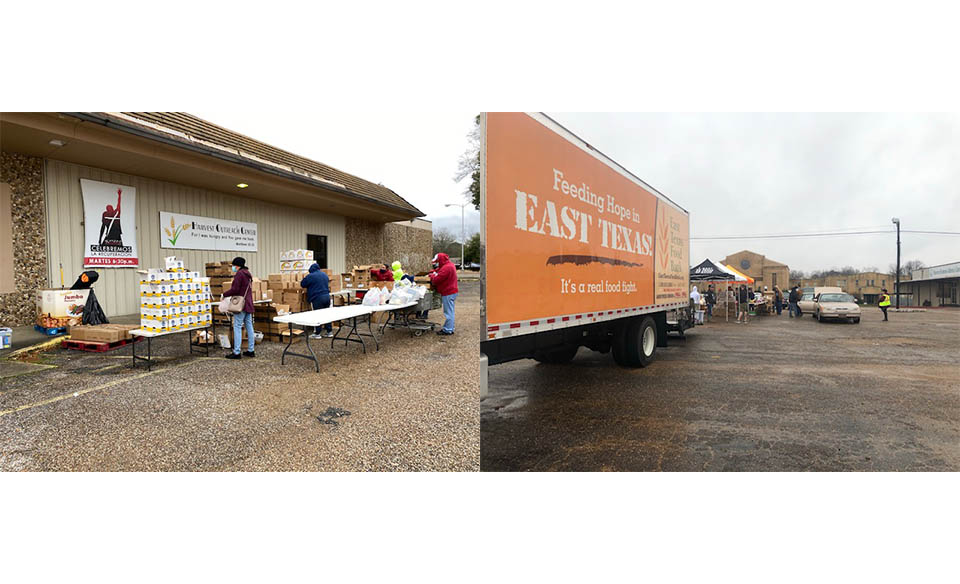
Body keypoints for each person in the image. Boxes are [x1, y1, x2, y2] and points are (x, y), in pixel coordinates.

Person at [222, 257, 255, 359]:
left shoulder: (239, 274)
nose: (233, 268)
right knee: (249, 326)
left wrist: (225, 294)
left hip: (240, 305)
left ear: (237, 266)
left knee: (237, 326)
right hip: (248, 303)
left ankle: (236, 352)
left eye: (233, 266)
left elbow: (235, 289)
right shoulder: (248, 274)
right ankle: (251, 350)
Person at [429, 252, 458, 335]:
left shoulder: (446, 268)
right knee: (450, 311)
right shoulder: (448, 265)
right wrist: (433, 271)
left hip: (448, 292)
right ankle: (450, 327)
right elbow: (439, 270)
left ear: (440, 260)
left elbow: (436, 280)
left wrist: (431, 276)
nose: (436, 264)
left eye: (437, 261)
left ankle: (448, 329)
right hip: (451, 291)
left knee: (448, 312)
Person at [301, 263, 333, 338]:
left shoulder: (310, 276)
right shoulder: (325, 275)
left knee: (317, 315)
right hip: (327, 296)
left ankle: (317, 333)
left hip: (317, 298)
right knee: (326, 314)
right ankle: (329, 332)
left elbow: (302, 284)